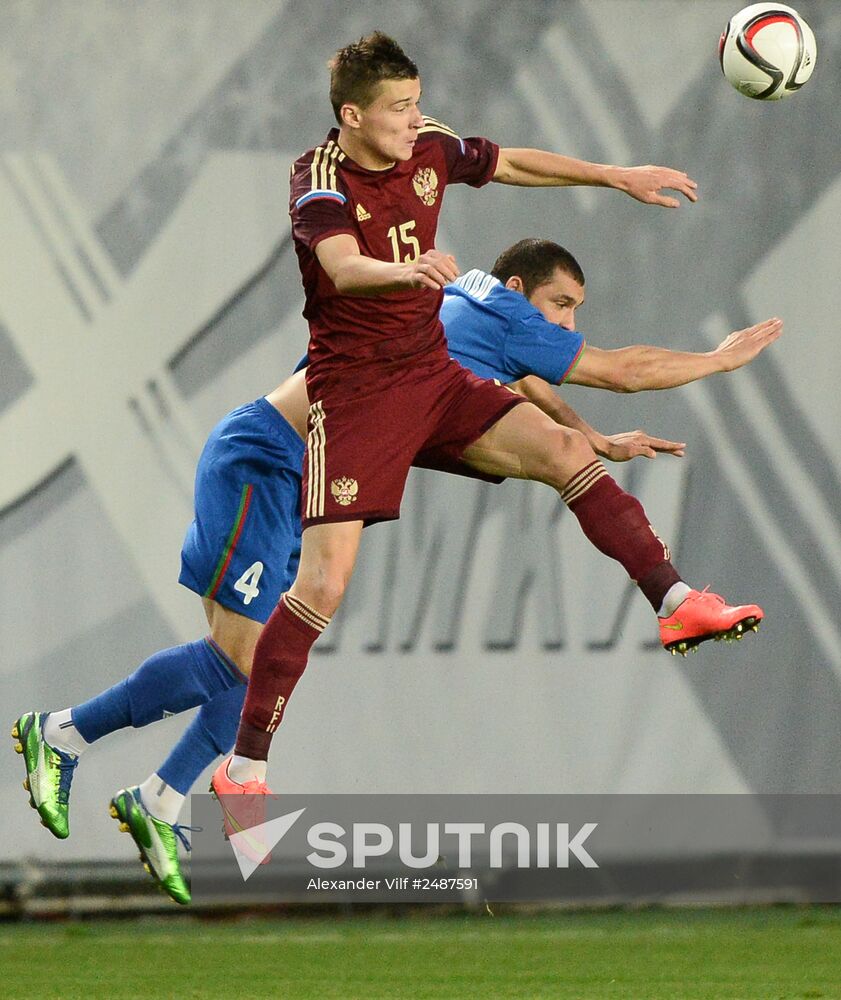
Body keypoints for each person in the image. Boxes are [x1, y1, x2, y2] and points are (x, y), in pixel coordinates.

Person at [11, 230, 779, 903]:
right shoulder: (496, 311)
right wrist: (716, 360)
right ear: (519, 291)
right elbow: (618, 367)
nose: (569, 323)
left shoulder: (473, 313)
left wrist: (592, 437)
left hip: (306, 468)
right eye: (562, 304)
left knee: (255, 664)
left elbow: (532, 383)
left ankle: (160, 795)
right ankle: (68, 734)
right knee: (238, 659)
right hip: (268, 461)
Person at [209, 32, 770, 837]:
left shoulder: (426, 146)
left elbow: (513, 162)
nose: (413, 121)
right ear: (351, 114)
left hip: (431, 376)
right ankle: (246, 768)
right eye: (397, 109)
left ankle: (675, 601)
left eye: (415, 103)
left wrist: (613, 176)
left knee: (564, 450)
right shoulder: (319, 178)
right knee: (324, 585)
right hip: (358, 393)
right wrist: (408, 271)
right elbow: (339, 265)